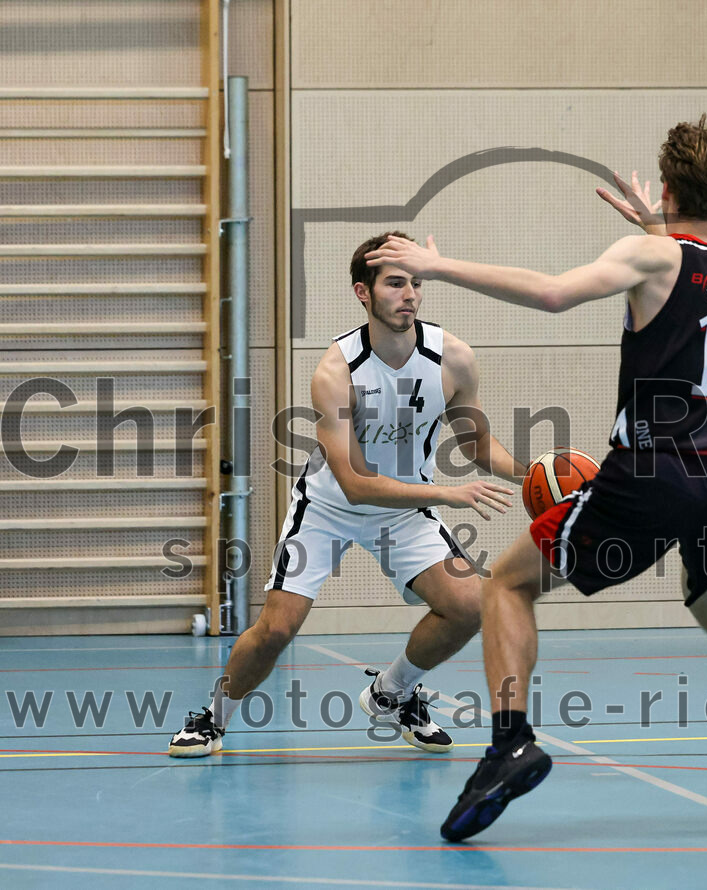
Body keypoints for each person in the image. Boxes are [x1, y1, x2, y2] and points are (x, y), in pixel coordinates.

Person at [366, 116, 707, 841]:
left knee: (507, 583)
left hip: (656, 473)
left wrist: (441, 267)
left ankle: (508, 744)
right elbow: (694, 280)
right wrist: (660, 225)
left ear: (673, 185)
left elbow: (555, 292)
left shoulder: (651, 254)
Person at [169, 231, 522, 759]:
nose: (411, 294)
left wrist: (536, 471)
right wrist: (445, 494)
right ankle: (213, 717)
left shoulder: (453, 360)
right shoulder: (337, 371)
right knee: (276, 629)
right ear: (364, 291)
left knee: (470, 605)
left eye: (417, 283)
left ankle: (393, 693)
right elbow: (356, 483)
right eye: (396, 283)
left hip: (404, 512)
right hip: (331, 508)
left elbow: (476, 444)